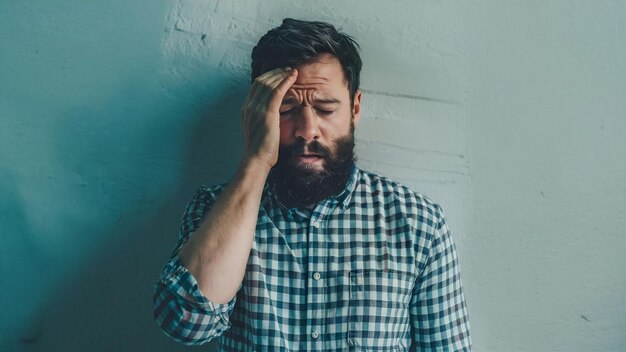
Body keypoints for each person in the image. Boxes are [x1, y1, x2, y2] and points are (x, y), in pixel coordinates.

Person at [153, 18, 471, 351]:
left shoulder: (420, 224)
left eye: (325, 108)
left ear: (355, 109)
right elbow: (186, 324)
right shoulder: (213, 209)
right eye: (286, 108)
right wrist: (255, 161)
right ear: (257, 113)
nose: (308, 129)